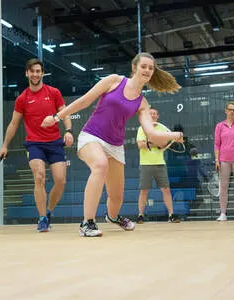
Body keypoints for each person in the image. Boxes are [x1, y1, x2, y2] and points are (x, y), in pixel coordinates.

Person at [41, 52, 183, 237]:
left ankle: (113, 217)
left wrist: (174, 134)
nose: (147, 70)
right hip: (91, 136)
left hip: (115, 146)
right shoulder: (114, 81)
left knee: (116, 198)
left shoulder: (142, 103)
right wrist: (56, 117)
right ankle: (87, 223)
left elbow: (151, 133)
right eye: (144, 66)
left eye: (151, 68)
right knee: (100, 165)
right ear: (134, 68)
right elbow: (85, 100)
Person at [0, 58, 74, 232]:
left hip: (55, 143)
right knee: (39, 176)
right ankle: (41, 219)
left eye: (38, 71)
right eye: (32, 71)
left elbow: (66, 113)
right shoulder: (22, 99)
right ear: (27, 73)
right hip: (34, 144)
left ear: (42, 73)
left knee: (60, 181)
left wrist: (69, 131)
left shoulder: (53, 92)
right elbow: (13, 124)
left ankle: (48, 212)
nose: (35, 74)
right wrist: (4, 145)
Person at [136, 107, 180, 224]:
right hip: (145, 164)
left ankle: (171, 215)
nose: (153, 115)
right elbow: (140, 144)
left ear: (158, 116)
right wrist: (156, 141)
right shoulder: (142, 128)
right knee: (144, 190)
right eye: (151, 114)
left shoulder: (162, 128)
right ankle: (140, 215)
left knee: (166, 189)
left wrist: (150, 142)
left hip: (160, 164)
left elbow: (164, 143)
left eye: (155, 114)